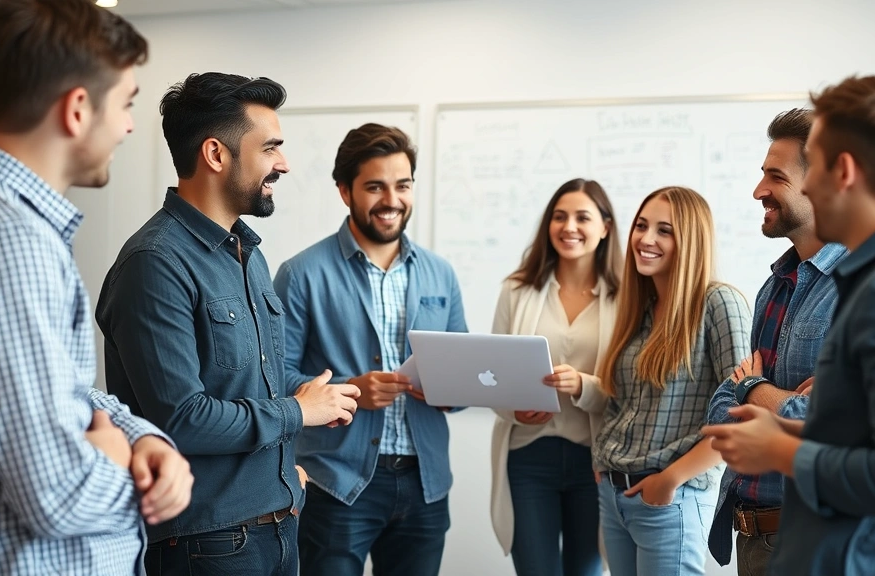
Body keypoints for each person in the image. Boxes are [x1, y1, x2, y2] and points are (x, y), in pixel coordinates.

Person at [704, 75, 875, 576]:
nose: (809, 187)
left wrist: (780, 446)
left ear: (845, 171)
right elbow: (863, 437)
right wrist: (788, 416)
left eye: (813, 168)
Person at [96, 72, 360, 576]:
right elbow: (183, 418)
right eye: (270, 148)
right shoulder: (155, 263)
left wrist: (299, 418)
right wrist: (298, 411)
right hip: (209, 545)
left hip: (277, 526)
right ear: (216, 154)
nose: (284, 163)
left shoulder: (247, 253)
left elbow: (246, 384)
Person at [0, 1, 194, 574]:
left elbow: (66, 393)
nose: (129, 125)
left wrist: (140, 438)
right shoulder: (13, 243)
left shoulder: (15, 227)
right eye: (125, 103)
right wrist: (134, 472)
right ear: (78, 110)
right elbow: (56, 490)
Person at [274, 123, 467, 576]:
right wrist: (352, 391)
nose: (391, 199)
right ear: (345, 191)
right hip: (335, 483)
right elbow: (275, 377)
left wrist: (447, 389)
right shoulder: (300, 274)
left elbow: (464, 378)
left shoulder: (441, 273)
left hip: (425, 483)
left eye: (403, 185)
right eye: (375, 186)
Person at [705, 109, 848, 576]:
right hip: (753, 540)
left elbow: (832, 424)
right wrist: (775, 399)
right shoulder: (774, 287)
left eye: (776, 177)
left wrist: (752, 388)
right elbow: (720, 412)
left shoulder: (859, 288)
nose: (758, 190)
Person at [593, 186, 752, 576]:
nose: (646, 239)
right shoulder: (640, 309)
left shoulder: (719, 303)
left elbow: (742, 414)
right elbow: (621, 401)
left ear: (690, 240)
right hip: (615, 495)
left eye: (664, 230)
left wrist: (670, 479)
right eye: (641, 226)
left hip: (670, 497)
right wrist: (603, 464)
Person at [489, 178, 623, 576]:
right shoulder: (517, 290)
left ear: (605, 227)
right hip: (528, 456)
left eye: (583, 217)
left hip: (594, 460)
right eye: (559, 217)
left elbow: (631, 390)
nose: (569, 227)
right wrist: (515, 411)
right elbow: (492, 376)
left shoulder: (626, 297)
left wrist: (584, 386)